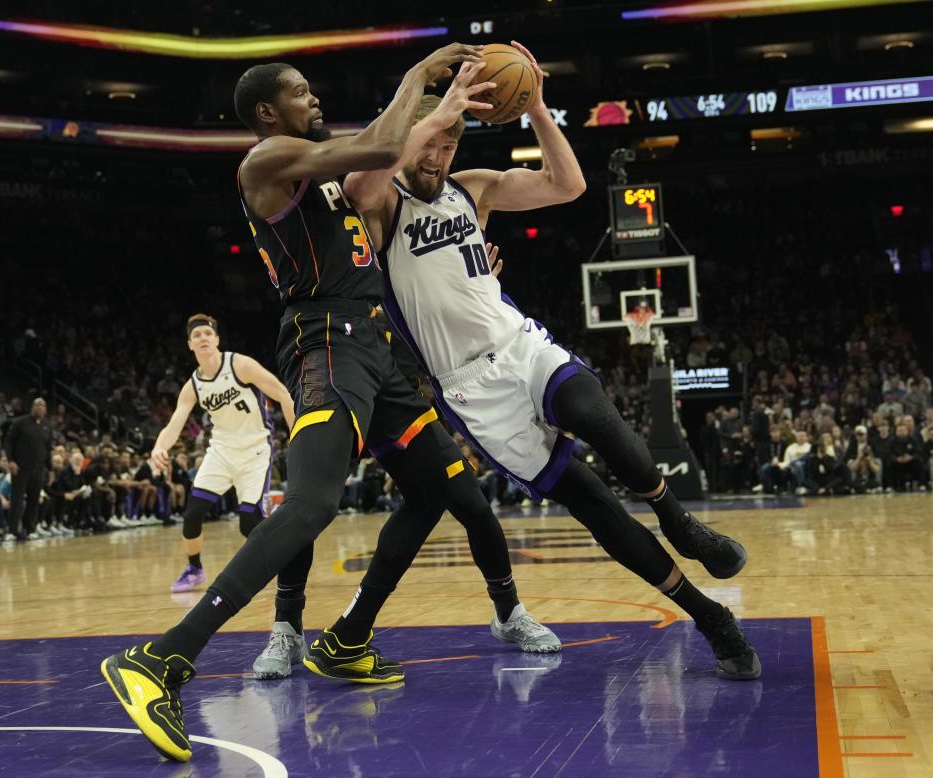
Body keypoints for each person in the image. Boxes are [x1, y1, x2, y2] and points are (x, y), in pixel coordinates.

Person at [101, 43, 557, 764]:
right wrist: (422, 77)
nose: (314, 101)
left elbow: (385, 174)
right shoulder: (266, 163)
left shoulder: (330, 180)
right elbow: (379, 142)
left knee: (439, 489)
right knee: (313, 504)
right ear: (265, 111)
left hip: (378, 353)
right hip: (326, 342)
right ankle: (162, 659)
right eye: (302, 92)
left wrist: (449, 139)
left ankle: (346, 639)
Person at [331, 45, 758, 688]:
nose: (439, 156)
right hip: (472, 388)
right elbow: (363, 179)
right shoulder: (380, 205)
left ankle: (677, 517)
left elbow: (569, 185)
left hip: (521, 342)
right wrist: (434, 106)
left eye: (450, 144)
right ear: (409, 137)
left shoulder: (472, 189)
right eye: (431, 143)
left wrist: (533, 105)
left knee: (600, 418)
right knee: (593, 506)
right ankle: (711, 617)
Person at [150, 313, 295, 593]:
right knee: (192, 514)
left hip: (255, 451)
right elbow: (175, 424)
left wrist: (297, 435)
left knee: (248, 524)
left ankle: (276, 560)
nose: (203, 338)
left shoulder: (239, 364)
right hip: (221, 452)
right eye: (197, 335)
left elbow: (281, 393)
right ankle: (194, 570)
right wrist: (159, 447)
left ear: (216, 339)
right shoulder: (193, 385)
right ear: (190, 345)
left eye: (207, 334)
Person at [4, 397, 52, 540]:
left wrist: (50, 469)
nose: (40, 407)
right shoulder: (20, 423)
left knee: (34, 500)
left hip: (39, 469)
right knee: (17, 500)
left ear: (46, 409)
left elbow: (48, 449)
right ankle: (12, 531)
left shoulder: (47, 426)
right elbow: (8, 441)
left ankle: (29, 529)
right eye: (37, 404)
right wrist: (11, 461)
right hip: (20, 468)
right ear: (32, 407)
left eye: (43, 405)